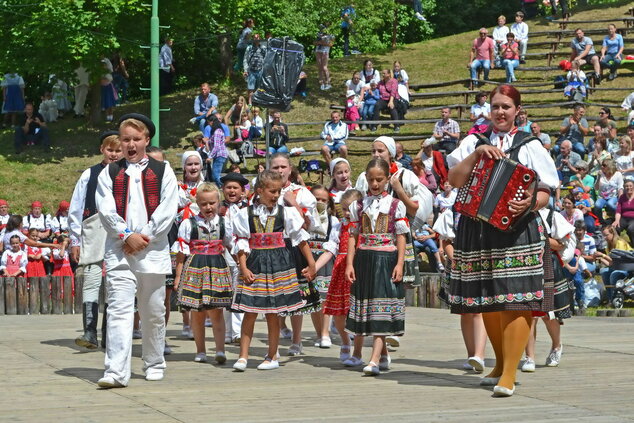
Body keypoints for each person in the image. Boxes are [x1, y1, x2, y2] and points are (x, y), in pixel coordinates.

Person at [446, 84, 559, 397]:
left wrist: (528, 203)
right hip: (477, 230)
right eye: (495, 106)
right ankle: (499, 364)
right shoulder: (474, 140)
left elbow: (546, 190)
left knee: (517, 299)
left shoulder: (530, 144)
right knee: (489, 300)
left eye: (506, 107)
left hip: (517, 231)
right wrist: (478, 153)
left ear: (517, 111)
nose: (500, 112)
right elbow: (454, 180)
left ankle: (509, 373)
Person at [95, 113, 179, 388]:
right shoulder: (109, 172)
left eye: (136, 139)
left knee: (153, 309)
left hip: (152, 250)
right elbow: (105, 210)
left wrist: (145, 236)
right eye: (125, 139)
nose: (130, 144)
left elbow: (168, 209)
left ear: (146, 140)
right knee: (119, 308)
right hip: (120, 249)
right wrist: (126, 235)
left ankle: (154, 361)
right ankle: (116, 371)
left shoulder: (163, 170)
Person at [231, 170, 316, 371]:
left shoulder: (286, 212)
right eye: (272, 191)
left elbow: (300, 239)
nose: (276, 195)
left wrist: (311, 264)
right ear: (259, 190)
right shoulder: (246, 214)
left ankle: (272, 356)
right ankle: (243, 356)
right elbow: (242, 243)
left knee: (273, 313)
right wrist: (243, 267)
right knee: (249, 311)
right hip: (255, 264)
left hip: (279, 264)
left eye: (278, 191)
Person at [345, 158, 408, 376]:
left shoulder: (395, 204)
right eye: (371, 179)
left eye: (379, 179)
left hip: (385, 260)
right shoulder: (358, 205)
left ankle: (373, 359)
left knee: (380, 307)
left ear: (387, 179)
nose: (374, 184)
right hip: (364, 259)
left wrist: (400, 263)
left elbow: (401, 236)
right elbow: (353, 236)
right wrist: (349, 263)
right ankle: (381, 355)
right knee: (368, 306)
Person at [70, 131, 121, 350]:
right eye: (110, 149)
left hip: (120, 230)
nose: (114, 154)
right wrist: (75, 239)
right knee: (91, 279)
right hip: (93, 227)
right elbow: (76, 207)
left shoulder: (128, 174)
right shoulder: (89, 174)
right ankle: (89, 332)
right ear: (102, 149)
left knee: (115, 282)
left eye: (118, 150)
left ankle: (110, 335)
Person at [173, 183, 234, 364]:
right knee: (197, 312)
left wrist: (242, 264)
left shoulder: (225, 223)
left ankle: (220, 349)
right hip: (195, 268)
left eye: (212, 203)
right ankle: (200, 350)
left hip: (217, 267)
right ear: (197, 204)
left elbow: (232, 246)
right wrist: (178, 276)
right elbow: (181, 253)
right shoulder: (188, 224)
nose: (208, 207)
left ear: (219, 202)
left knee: (217, 311)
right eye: (204, 204)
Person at [268, 154, 321, 355]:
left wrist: (293, 203)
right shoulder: (263, 192)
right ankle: (276, 336)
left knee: (296, 293)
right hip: (271, 247)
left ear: (290, 169)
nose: (280, 170)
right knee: (274, 294)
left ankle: (297, 340)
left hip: (293, 246)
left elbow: (308, 226)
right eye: (276, 167)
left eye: (283, 167)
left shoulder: (302, 193)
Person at [522, 206, 576, 371]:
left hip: (548, 265)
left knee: (549, 314)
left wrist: (537, 238)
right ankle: (529, 357)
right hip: (526, 266)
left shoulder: (552, 216)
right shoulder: (520, 215)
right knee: (529, 315)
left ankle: (556, 346)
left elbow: (561, 244)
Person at [323, 188, 361, 363]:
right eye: (344, 209)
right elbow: (330, 250)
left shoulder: (363, 227)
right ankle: (345, 341)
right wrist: (314, 267)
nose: (347, 213)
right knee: (339, 312)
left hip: (360, 271)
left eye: (351, 208)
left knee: (359, 311)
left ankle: (359, 352)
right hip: (341, 272)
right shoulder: (339, 227)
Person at [306, 185, 341, 348]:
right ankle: (319, 333)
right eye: (316, 199)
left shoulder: (332, 221)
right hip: (308, 258)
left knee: (325, 299)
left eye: (323, 200)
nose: (319, 203)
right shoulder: (305, 218)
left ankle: (326, 332)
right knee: (314, 300)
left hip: (325, 260)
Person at [218, 172, 249, 343]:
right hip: (223, 255)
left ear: (242, 191)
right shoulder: (219, 209)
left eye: (235, 188)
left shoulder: (248, 208)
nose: (231, 191)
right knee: (225, 295)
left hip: (242, 256)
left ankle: (237, 332)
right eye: (228, 187)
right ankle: (227, 331)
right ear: (223, 189)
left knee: (239, 293)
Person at [597, 225, 633, 303]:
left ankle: (615, 297)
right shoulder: (608, 245)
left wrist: (603, 255)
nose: (605, 238)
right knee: (604, 272)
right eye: (604, 236)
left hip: (627, 267)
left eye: (606, 235)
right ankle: (610, 299)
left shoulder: (620, 243)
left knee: (614, 274)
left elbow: (618, 262)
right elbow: (611, 264)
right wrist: (601, 259)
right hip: (618, 266)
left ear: (613, 233)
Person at [594, 158, 623, 223]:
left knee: (610, 204)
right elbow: (596, 188)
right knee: (597, 205)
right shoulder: (601, 175)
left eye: (604, 165)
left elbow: (620, 188)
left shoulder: (617, 174)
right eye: (601, 165)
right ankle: (602, 222)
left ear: (610, 166)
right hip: (602, 197)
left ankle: (618, 218)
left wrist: (620, 200)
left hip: (613, 197)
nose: (602, 166)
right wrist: (598, 177)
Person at [205, 116, 229, 187]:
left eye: (209, 122)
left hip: (220, 155)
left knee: (216, 175)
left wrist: (210, 157)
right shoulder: (216, 131)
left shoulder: (217, 131)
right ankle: (221, 188)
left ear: (212, 121)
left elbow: (216, 146)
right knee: (215, 175)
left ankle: (226, 186)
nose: (208, 124)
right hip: (217, 155)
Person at [243, 34, 266, 105]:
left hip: (260, 70)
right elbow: (245, 59)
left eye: (257, 37)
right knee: (250, 88)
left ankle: (257, 101)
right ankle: (250, 103)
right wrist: (245, 70)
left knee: (259, 88)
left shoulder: (263, 48)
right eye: (255, 38)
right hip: (251, 70)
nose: (256, 39)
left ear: (260, 38)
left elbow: (266, 58)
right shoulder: (249, 48)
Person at [613, 179, 634, 244]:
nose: (629, 188)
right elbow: (618, 211)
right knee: (614, 228)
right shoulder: (622, 197)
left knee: (631, 229)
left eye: (630, 186)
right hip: (624, 218)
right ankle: (616, 245)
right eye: (627, 186)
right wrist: (616, 221)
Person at [315, 23, 334, 90]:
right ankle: (321, 83)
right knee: (319, 67)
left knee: (324, 67)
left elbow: (331, 44)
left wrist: (324, 43)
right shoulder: (318, 34)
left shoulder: (330, 35)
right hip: (318, 50)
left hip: (325, 51)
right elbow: (314, 42)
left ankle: (328, 83)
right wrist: (319, 42)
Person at [100, 57, 117, 122]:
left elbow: (110, 72)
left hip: (108, 85)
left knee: (110, 101)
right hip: (103, 86)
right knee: (105, 102)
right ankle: (108, 116)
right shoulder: (100, 72)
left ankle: (111, 116)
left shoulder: (106, 61)